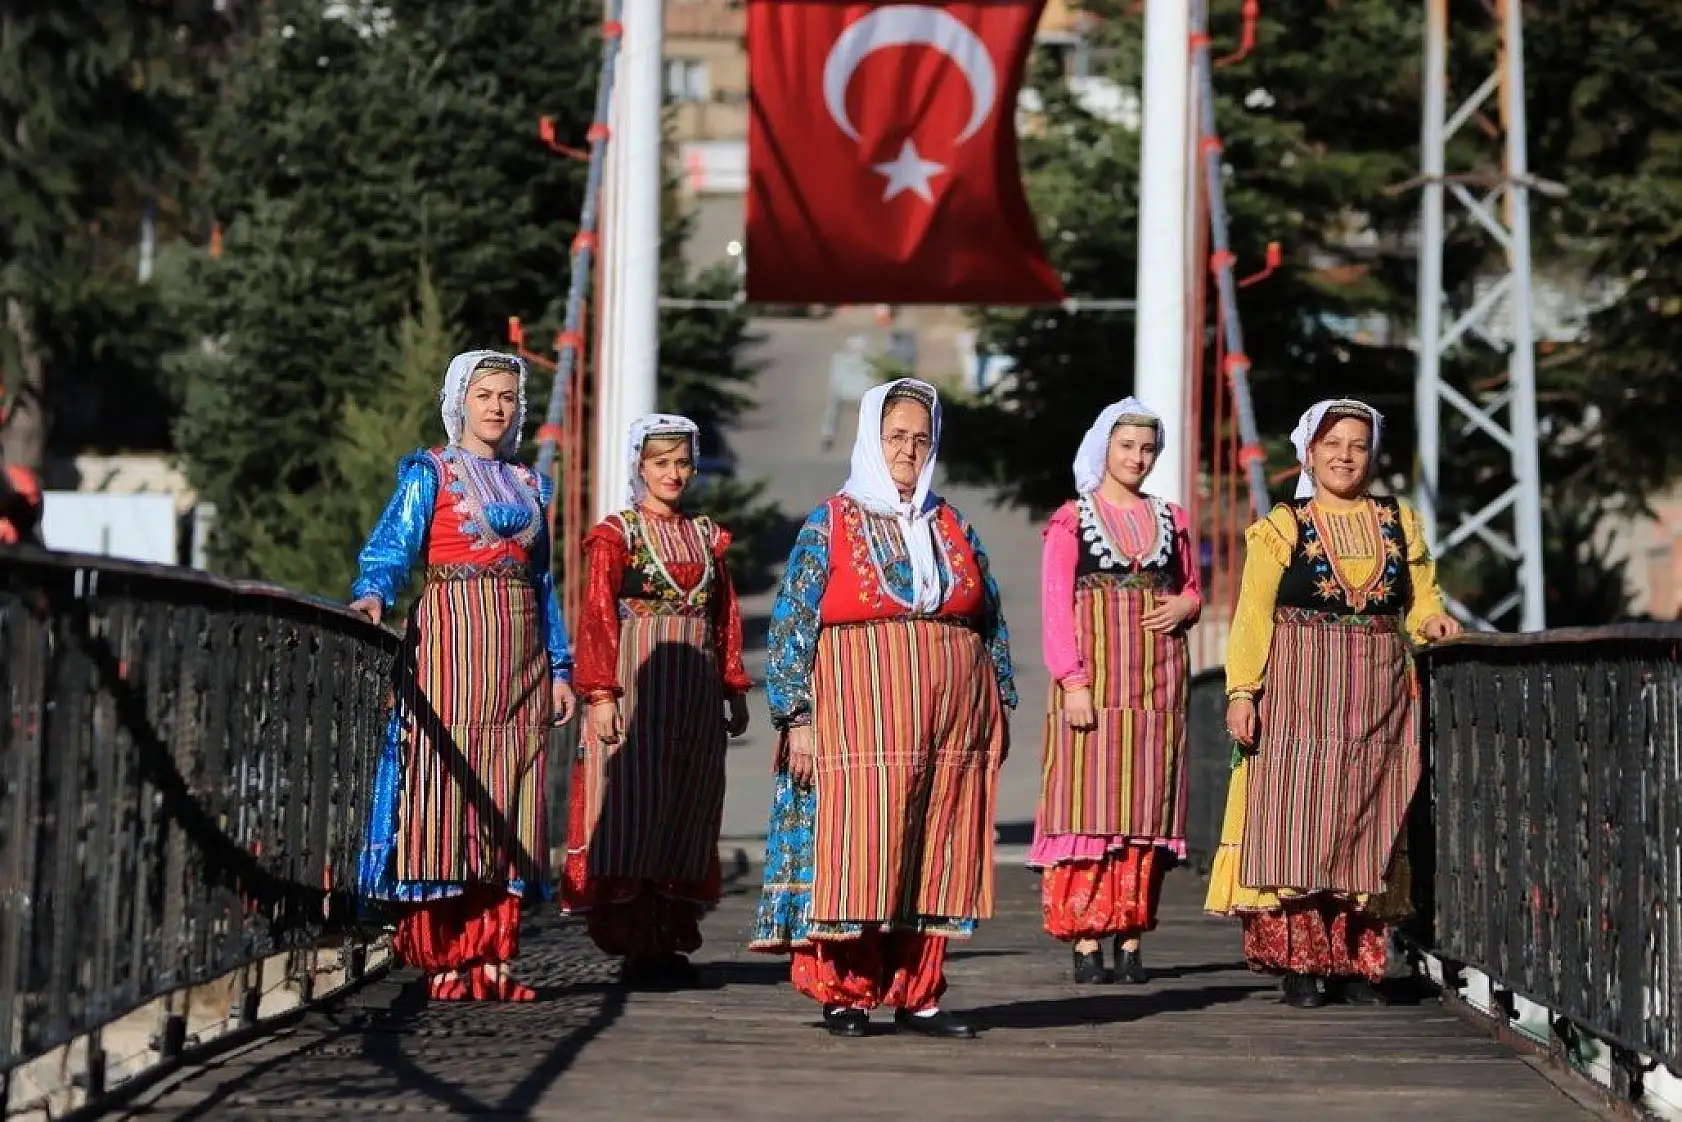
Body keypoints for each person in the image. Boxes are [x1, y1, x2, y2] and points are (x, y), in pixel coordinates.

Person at [749, 377, 1016, 1040]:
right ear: (872, 438)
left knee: (935, 846)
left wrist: (1000, 700)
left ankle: (918, 993)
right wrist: (797, 718)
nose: (909, 450)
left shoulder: (951, 524)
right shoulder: (831, 523)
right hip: (858, 718)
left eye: (921, 440)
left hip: (950, 722)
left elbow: (991, 619)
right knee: (861, 846)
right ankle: (849, 990)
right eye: (896, 437)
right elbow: (791, 625)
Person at [1205, 397, 1459, 1008]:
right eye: (1333, 444)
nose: (1346, 456)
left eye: (1358, 445)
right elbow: (1252, 617)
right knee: (1297, 818)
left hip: (1377, 693)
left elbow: (1421, 597)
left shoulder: (1400, 521)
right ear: (1309, 453)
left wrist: (1433, 622)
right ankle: (1302, 965)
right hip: (1298, 693)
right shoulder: (1281, 528)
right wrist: (1243, 691)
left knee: (1365, 819)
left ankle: (1353, 964)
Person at [350, 349, 577, 1003]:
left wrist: (560, 667)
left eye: (507, 397)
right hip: (450, 645)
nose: (497, 408)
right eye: (485, 396)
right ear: (460, 402)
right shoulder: (432, 472)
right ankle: (445, 954)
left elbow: (543, 582)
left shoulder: (534, 485)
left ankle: (494, 956)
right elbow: (394, 544)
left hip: (521, 658)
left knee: (511, 796)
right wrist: (374, 593)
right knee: (444, 792)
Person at [561, 413, 751, 983]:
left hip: (694, 686)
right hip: (638, 678)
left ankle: (667, 939)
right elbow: (597, 615)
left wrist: (732, 685)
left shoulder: (706, 535)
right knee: (633, 804)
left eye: (683, 462)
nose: (674, 473)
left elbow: (725, 618)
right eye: (661, 462)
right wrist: (599, 692)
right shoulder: (618, 534)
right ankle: (636, 942)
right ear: (639, 466)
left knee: (685, 805)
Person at [1032, 398, 1201, 985]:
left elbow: (1192, 587)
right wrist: (1071, 681)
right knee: (1087, 808)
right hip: (1095, 683)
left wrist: (1186, 604)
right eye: (1127, 446)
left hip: (1158, 684)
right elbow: (1056, 606)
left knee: (1143, 813)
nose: (1138, 457)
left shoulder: (1172, 518)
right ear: (1105, 447)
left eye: (1148, 448)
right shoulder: (1071, 520)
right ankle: (1085, 940)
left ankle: (1130, 939)